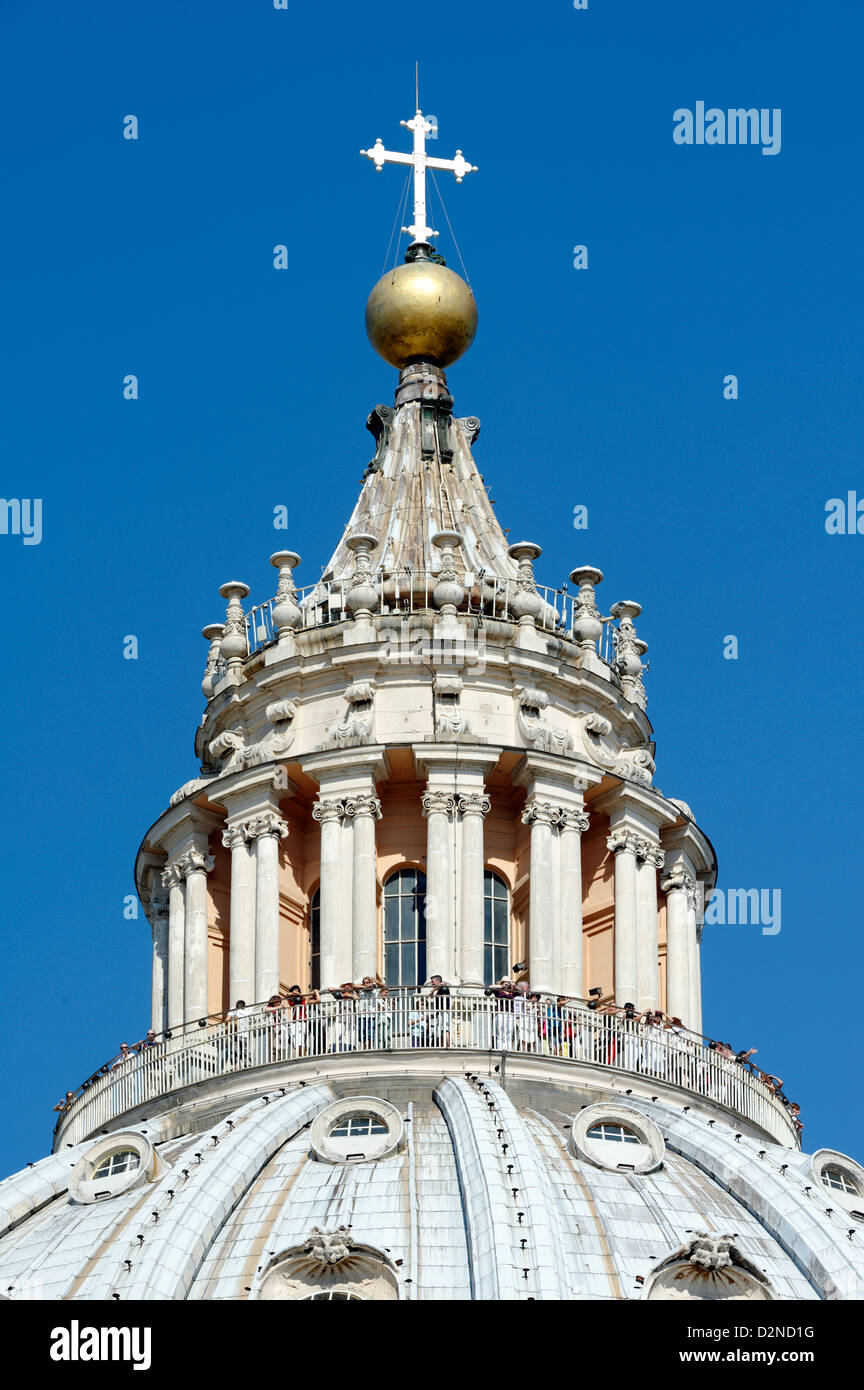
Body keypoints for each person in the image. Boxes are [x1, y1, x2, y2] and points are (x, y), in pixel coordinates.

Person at [227, 999, 253, 1068]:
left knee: (234, 1051)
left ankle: (236, 1066)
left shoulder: (234, 1011)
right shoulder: (247, 1013)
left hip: (236, 1034)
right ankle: (248, 1063)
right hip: (245, 1035)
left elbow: (227, 1019)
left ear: (236, 1006)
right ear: (244, 1006)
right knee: (245, 1050)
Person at [428, 974, 451, 1047]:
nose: (431, 983)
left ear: (438, 981)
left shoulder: (443, 986)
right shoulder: (439, 989)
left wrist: (432, 991)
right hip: (440, 1012)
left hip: (444, 1011)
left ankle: (447, 1046)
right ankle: (442, 1046)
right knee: (441, 1031)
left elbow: (443, 983)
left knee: (445, 1029)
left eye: (432, 981)